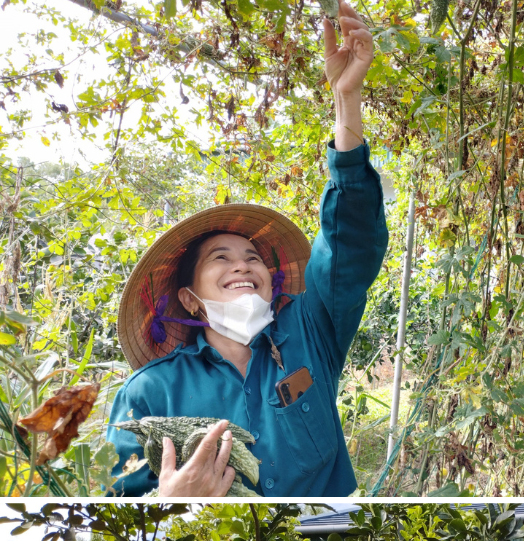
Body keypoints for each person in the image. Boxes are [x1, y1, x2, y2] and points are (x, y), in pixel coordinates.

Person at [107, 0, 388, 498]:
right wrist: (171, 503)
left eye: (253, 258)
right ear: (191, 298)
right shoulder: (151, 393)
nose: (242, 265)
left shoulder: (309, 334)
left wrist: (348, 99)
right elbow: (123, 506)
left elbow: (351, 243)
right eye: (221, 258)